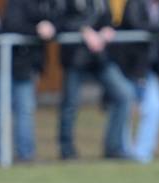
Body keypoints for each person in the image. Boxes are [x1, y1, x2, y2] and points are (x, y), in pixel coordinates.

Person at [56, 0, 135, 160]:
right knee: (70, 104)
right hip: (75, 57)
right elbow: (60, 21)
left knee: (124, 94)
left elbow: (108, 18)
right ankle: (67, 150)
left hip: (99, 57)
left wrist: (108, 29)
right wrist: (83, 30)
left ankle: (113, 147)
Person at [0, 0, 60, 163]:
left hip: (27, 66)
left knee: (25, 110)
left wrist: (51, 29)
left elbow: (58, 23)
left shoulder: (50, 4)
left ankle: (26, 155)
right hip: (4, 63)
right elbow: (12, 23)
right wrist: (37, 29)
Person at [109, 0, 159, 163]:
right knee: (126, 105)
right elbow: (136, 24)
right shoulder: (135, 3)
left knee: (155, 106)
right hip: (130, 65)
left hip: (149, 68)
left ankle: (143, 153)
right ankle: (123, 149)